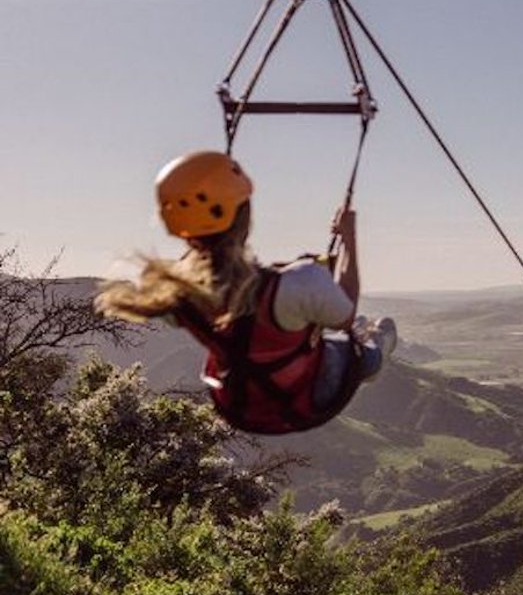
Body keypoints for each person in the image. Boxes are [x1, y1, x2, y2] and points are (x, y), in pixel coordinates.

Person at [97, 150, 397, 434]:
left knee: (318, 331)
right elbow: (345, 313)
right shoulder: (298, 283)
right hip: (306, 397)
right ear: (244, 214)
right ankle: (377, 338)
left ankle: (362, 334)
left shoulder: (176, 294)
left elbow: (228, 288)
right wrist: (348, 239)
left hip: (238, 404)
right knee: (365, 353)